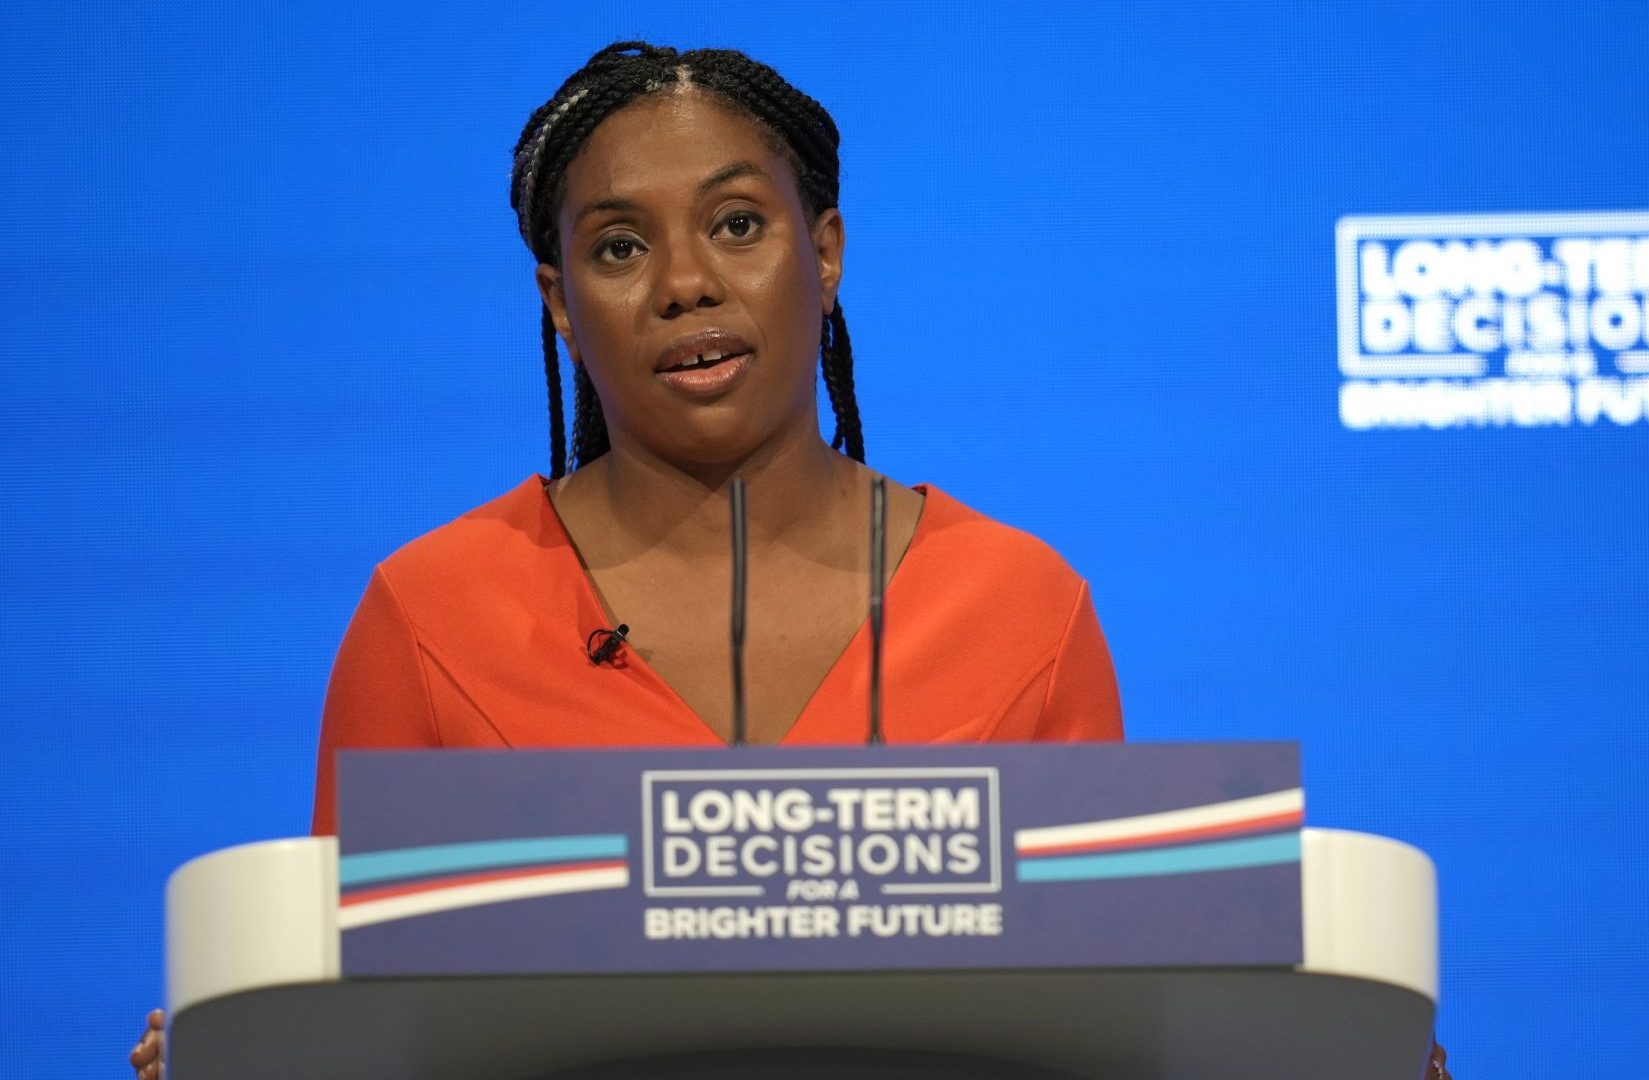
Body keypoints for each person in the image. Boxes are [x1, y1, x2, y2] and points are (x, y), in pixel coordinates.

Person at [133, 40, 1124, 1080]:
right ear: (559, 303)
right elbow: (352, 1022)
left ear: (825, 252)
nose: (686, 284)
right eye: (618, 249)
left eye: (738, 225)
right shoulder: (429, 613)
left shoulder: (1022, 607)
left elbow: (1104, 1018)